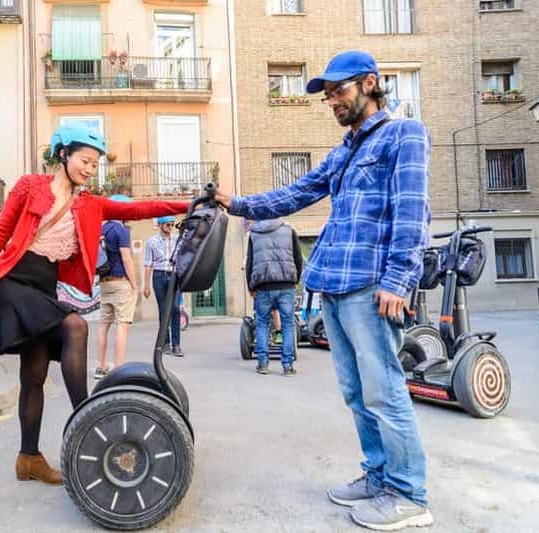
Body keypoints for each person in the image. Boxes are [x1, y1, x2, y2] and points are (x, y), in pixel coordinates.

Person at [214, 50, 433, 530]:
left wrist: (399, 279)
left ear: (371, 83)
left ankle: (409, 492)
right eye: (328, 95)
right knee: (356, 392)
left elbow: (413, 211)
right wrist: (237, 203)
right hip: (332, 284)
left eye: (340, 90)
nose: (333, 100)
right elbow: (296, 193)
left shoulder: (404, 135)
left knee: (385, 390)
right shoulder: (343, 151)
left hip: (373, 284)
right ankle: (378, 475)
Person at [0, 125, 188, 485]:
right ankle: (88, 423)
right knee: (75, 326)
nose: (89, 169)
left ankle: (28, 458)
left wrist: (189, 204)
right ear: (63, 155)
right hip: (11, 283)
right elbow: (1, 232)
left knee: (33, 375)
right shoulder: (28, 186)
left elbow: (140, 209)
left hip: (44, 292)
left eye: (95, 164)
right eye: (84, 160)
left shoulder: (89, 204)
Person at [245, 218, 302, 376]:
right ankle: (288, 366)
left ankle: (263, 363)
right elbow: (298, 258)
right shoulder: (289, 231)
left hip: (263, 285)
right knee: (288, 324)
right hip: (286, 284)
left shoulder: (254, 234)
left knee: (262, 323)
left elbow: (250, 261)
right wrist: (295, 279)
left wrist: (250, 286)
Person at [94, 194, 138, 379]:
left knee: (104, 325)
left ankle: (101, 366)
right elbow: (126, 258)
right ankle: (118, 368)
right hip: (120, 282)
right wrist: (134, 285)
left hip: (104, 283)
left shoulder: (101, 229)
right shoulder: (121, 230)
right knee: (122, 324)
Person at [143, 216, 184, 357]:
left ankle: (176, 345)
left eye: (172, 224)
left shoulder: (178, 240)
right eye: (167, 224)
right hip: (159, 276)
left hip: (174, 275)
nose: (170, 227)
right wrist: (146, 285)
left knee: (175, 309)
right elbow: (148, 264)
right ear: (160, 225)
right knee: (163, 311)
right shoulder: (151, 242)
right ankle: (165, 343)